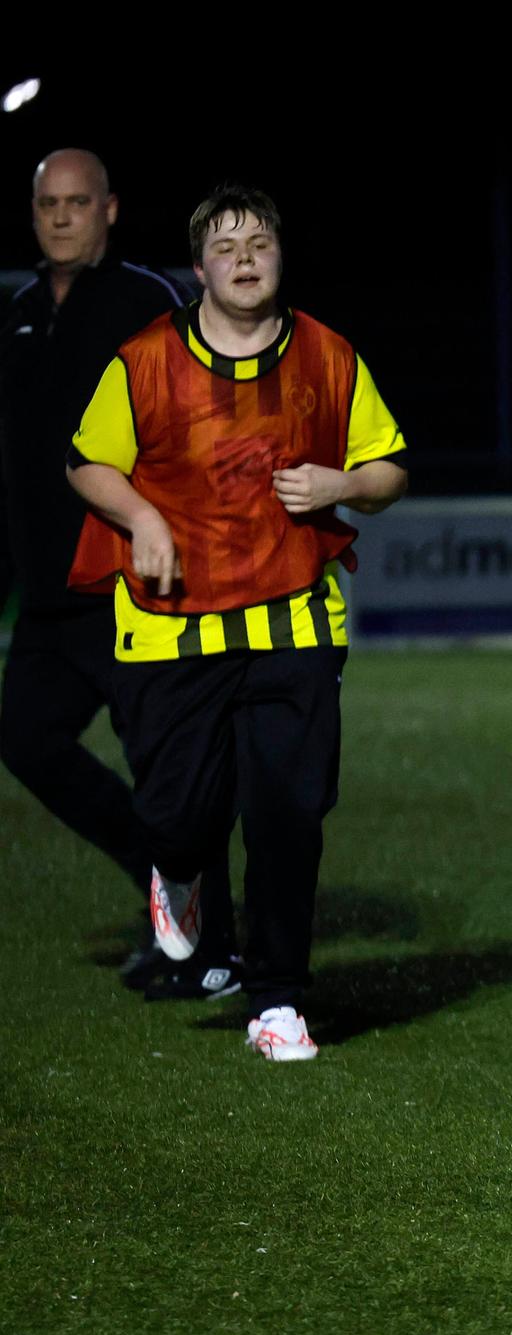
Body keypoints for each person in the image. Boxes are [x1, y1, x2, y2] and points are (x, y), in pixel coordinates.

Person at [65, 182, 409, 1059]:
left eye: (259, 243)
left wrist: (342, 485)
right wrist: (142, 520)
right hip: (170, 625)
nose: (246, 258)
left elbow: (389, 468)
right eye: (227, 246)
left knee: (288, 813)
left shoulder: (329, 355)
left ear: (280, 258)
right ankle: (174, 872)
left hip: (294, 620)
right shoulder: (145, 359)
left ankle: (279, 999)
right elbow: (86, 461)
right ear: (199, 267)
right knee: (180, 815)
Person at [0, 149, 242, 999]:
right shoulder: (20, 313)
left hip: (132, 585)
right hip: (46, 598)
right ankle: (154, 870)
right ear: (34, 212)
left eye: (78, 202)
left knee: (172, 769)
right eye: (47, 203)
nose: (61, 216)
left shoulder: (149, 304)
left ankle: (213, 946)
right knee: (24, 739)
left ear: (109, 210)